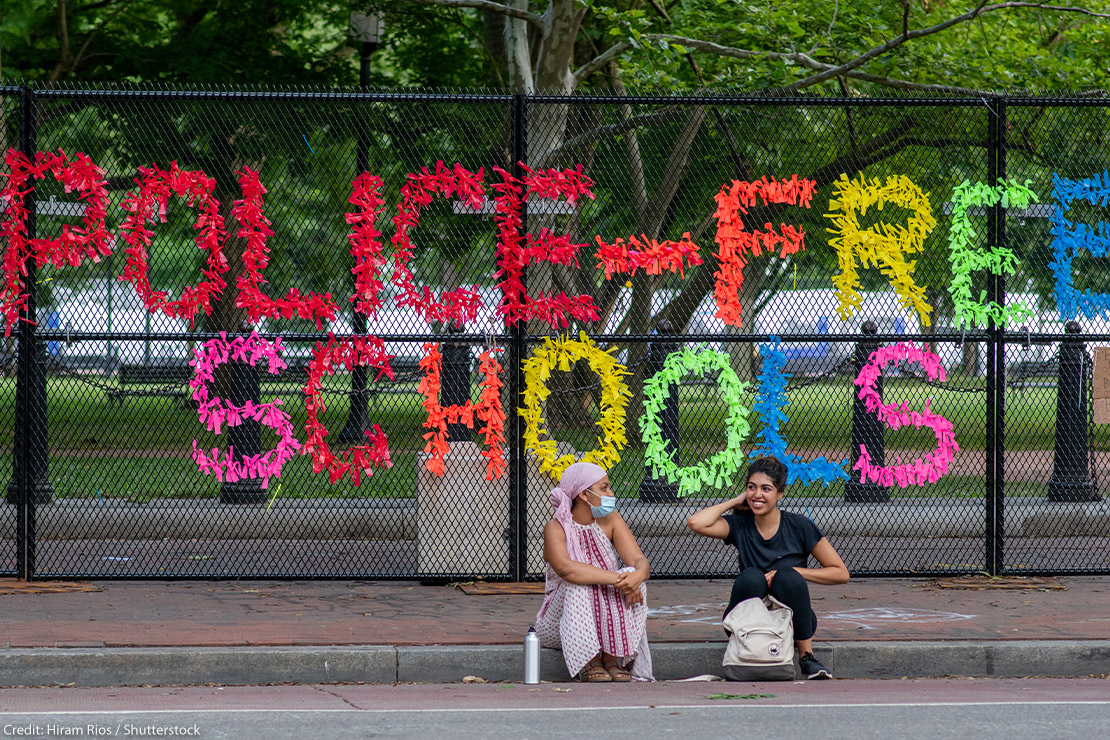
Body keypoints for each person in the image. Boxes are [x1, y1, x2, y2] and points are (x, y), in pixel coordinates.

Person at [686, 455, 849, 679]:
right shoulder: (741, 524)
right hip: (751, 616)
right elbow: (696, 523)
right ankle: (745, 651)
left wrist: (795, 571)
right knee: (751, 577)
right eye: (752, 488)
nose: (758, 495)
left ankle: (807, 657)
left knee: (788, 578)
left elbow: (840, 572)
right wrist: (736, 501)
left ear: (779, 494)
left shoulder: (799, 525)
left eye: (766, 488)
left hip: (792, 616)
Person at [535, 461, 654, 682]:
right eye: (604, 488)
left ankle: (611, 659)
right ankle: (588, 662)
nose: (611, 493)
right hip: (558, 622)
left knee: (636, 580)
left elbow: (639, 561)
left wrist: (636, 576)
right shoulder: (555, 527)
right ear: (584, 495)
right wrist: (620, 579)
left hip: (603, 612)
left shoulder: (611, 519)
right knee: (577, 584)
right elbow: (567, 569)